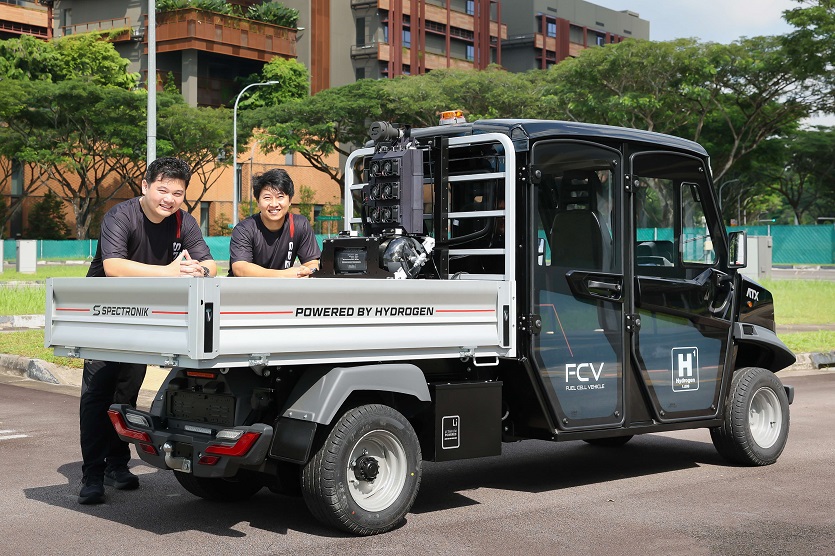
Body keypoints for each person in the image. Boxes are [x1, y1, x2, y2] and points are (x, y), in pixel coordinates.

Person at [78, 157, 217, 505]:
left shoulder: (184, 221)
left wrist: (199, 270)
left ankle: (117, 465)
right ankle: (91, 475)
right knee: (98, 396)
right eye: (162, 189)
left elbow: (211, 263)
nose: (169, 199)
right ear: (145, 186)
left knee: (126, 392)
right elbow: (113, 267)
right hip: (104, 316)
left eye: (177, 192)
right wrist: (171, 272)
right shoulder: (121, 216)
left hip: (142, 319)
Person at [229, 169, 321, 277]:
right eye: (267, 198)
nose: (274, 204)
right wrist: (284, 275)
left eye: (280, 197)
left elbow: (312, 263)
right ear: (258, 201)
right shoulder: (244, 229)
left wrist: (308, 271)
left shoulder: (300, 225)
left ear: (290, 200)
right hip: (247, 291)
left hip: (284, 291)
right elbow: (240, 269)